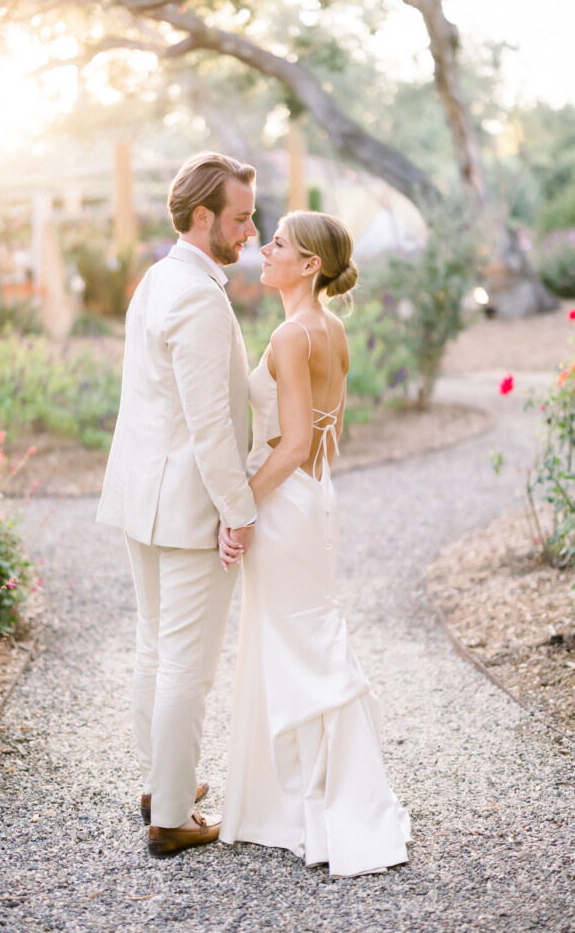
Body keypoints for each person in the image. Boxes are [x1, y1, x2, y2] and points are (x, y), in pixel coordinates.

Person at [218, 211, 411, 877]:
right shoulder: (331, 330)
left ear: (307, 266)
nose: (263, 250)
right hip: (313, 498)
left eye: (276, 244)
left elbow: (293, 441)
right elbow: (323, 439)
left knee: (296, 647)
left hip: (282, 502)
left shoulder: (292, 334)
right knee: (305, 641)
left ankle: (318, 806)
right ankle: (306, 799)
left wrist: (240, 509)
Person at [96, 152, 258, 857]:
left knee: (156, 647)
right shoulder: (195, 294)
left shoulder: (158, 279)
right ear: (203, 218)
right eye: (241, 218)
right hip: (187, 505)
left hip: (142, 494)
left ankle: (162, 780)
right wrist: (238, 507)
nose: (251, 230)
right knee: (186, 665)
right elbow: (207, 420)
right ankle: (169, 816)